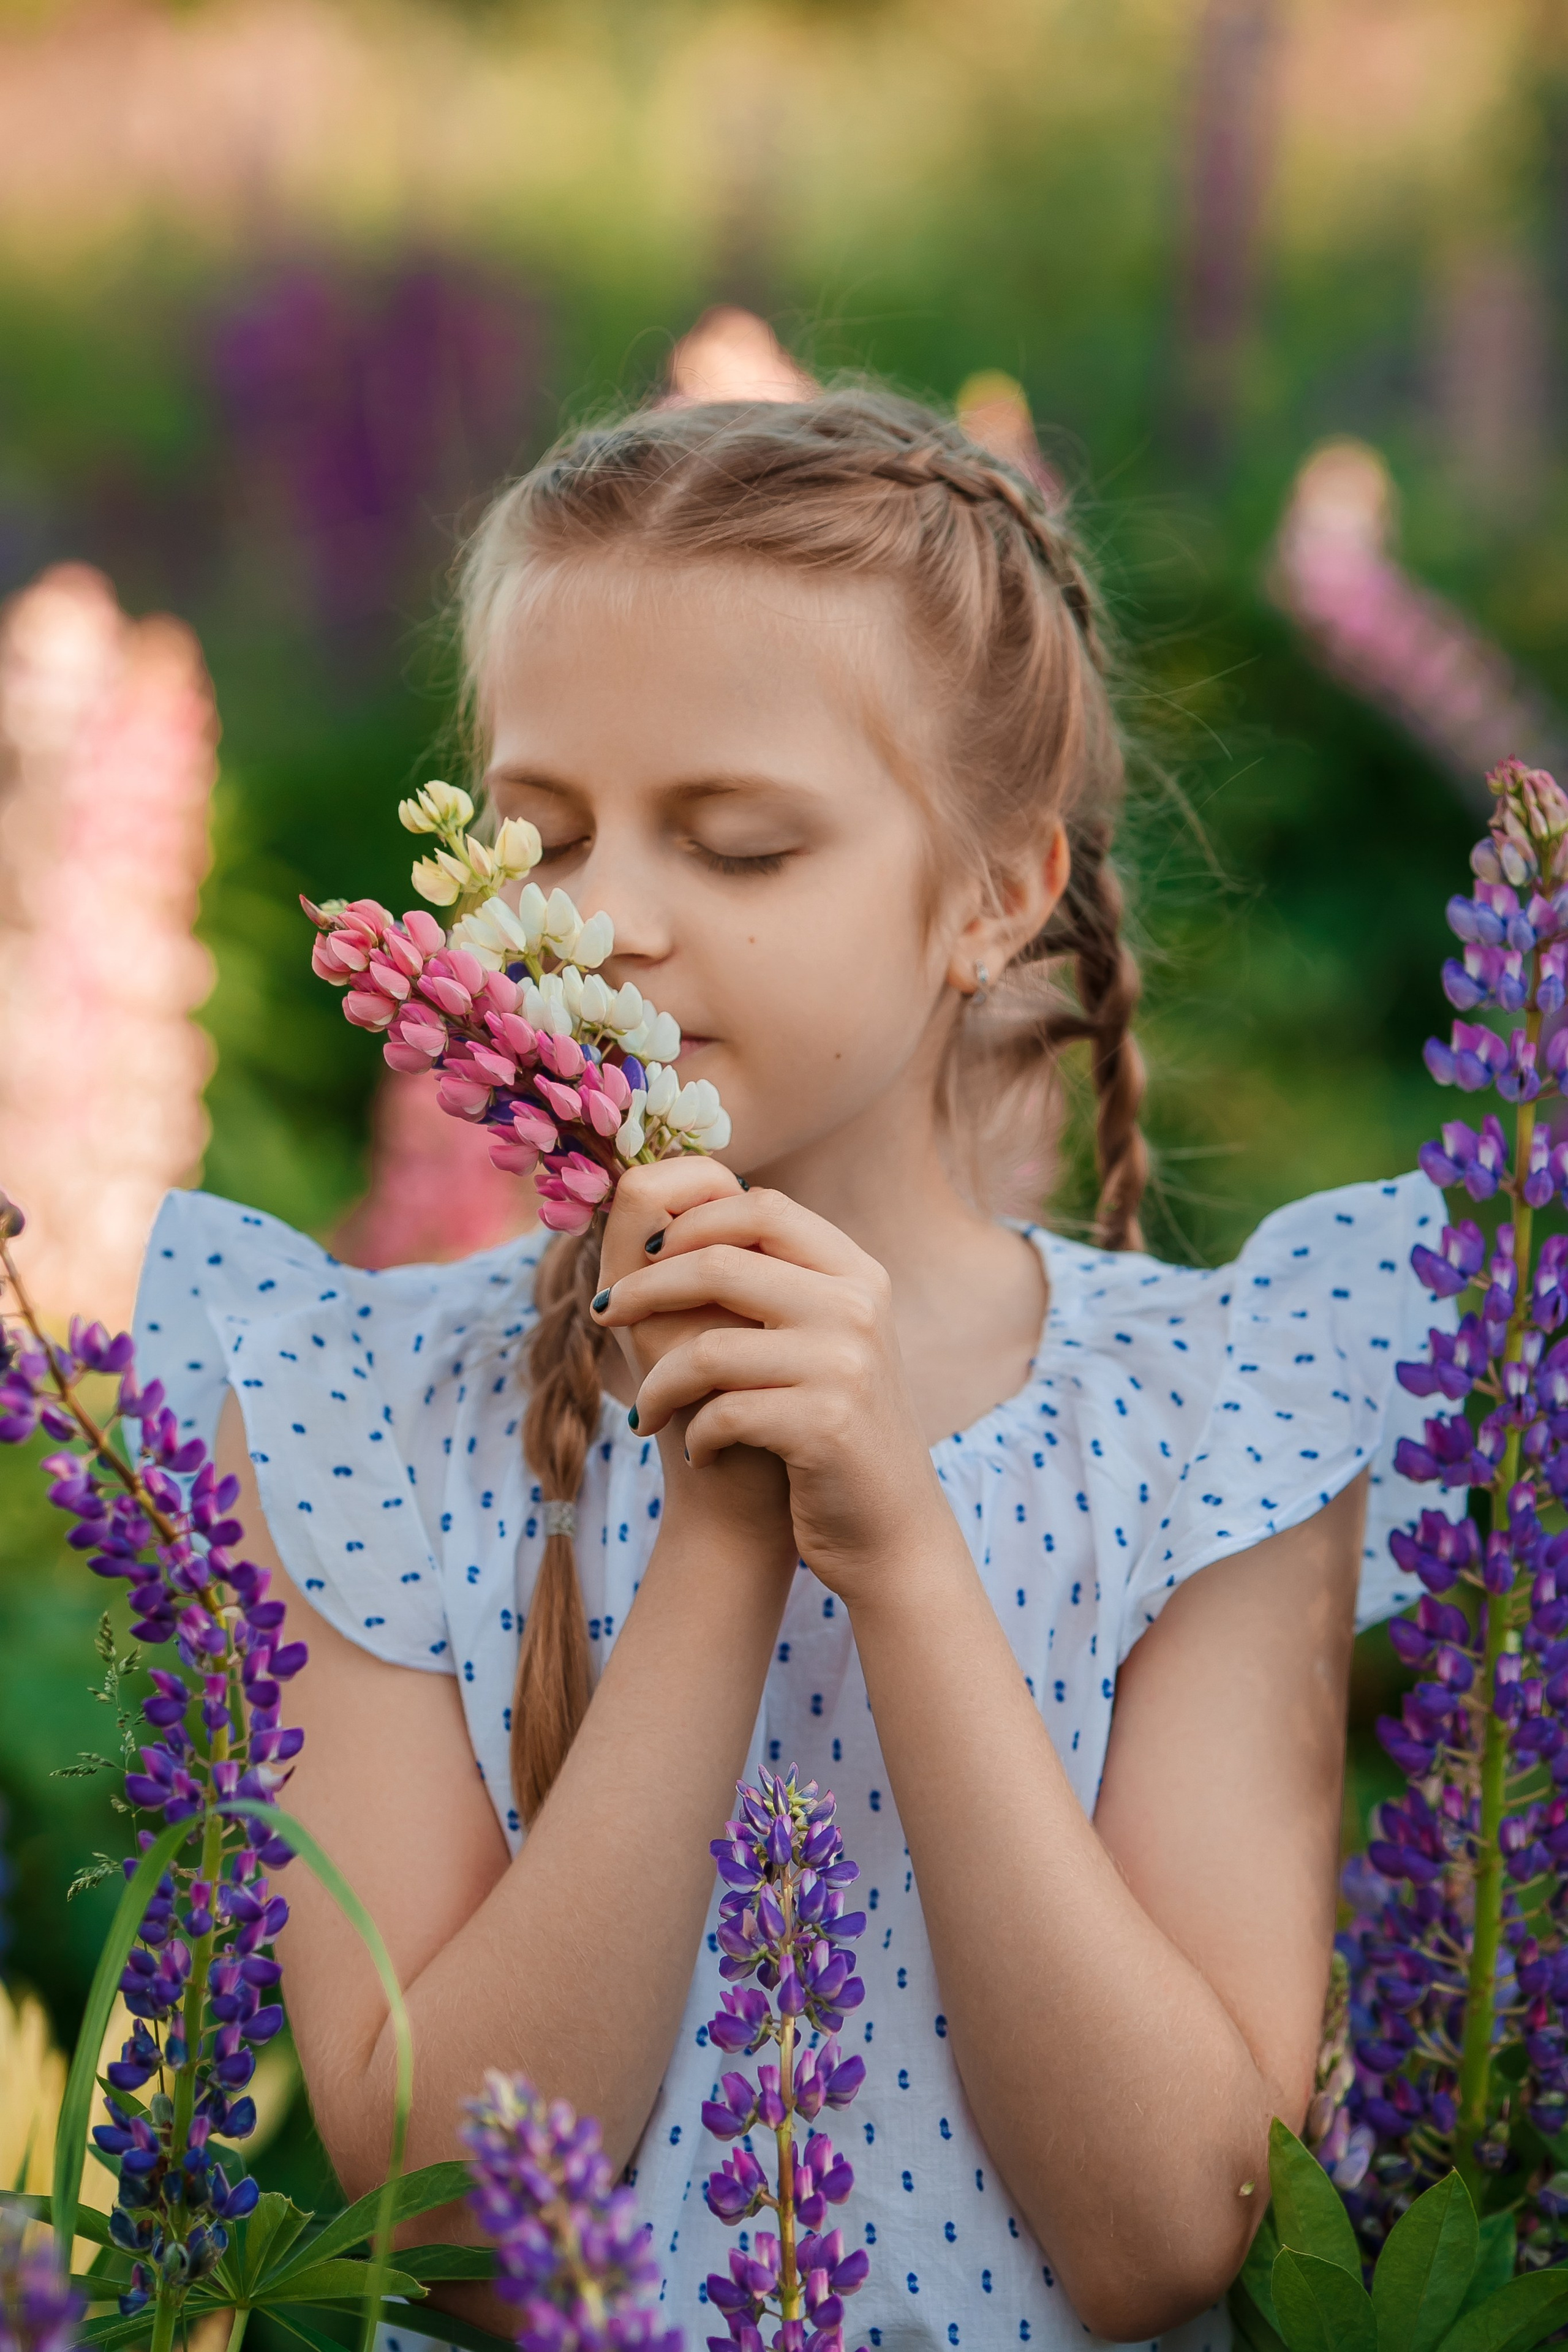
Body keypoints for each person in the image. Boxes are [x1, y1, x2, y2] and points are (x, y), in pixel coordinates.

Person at [135, 389, 1449, 2352]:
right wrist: (723, 1540)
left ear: (998, 891)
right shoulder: (358, 1408)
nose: (607, 920)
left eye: (738, 844)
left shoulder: (1224, 1415)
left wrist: (902, 1553)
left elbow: (1174, 2227)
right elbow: (462, 2230)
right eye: (540, 837)